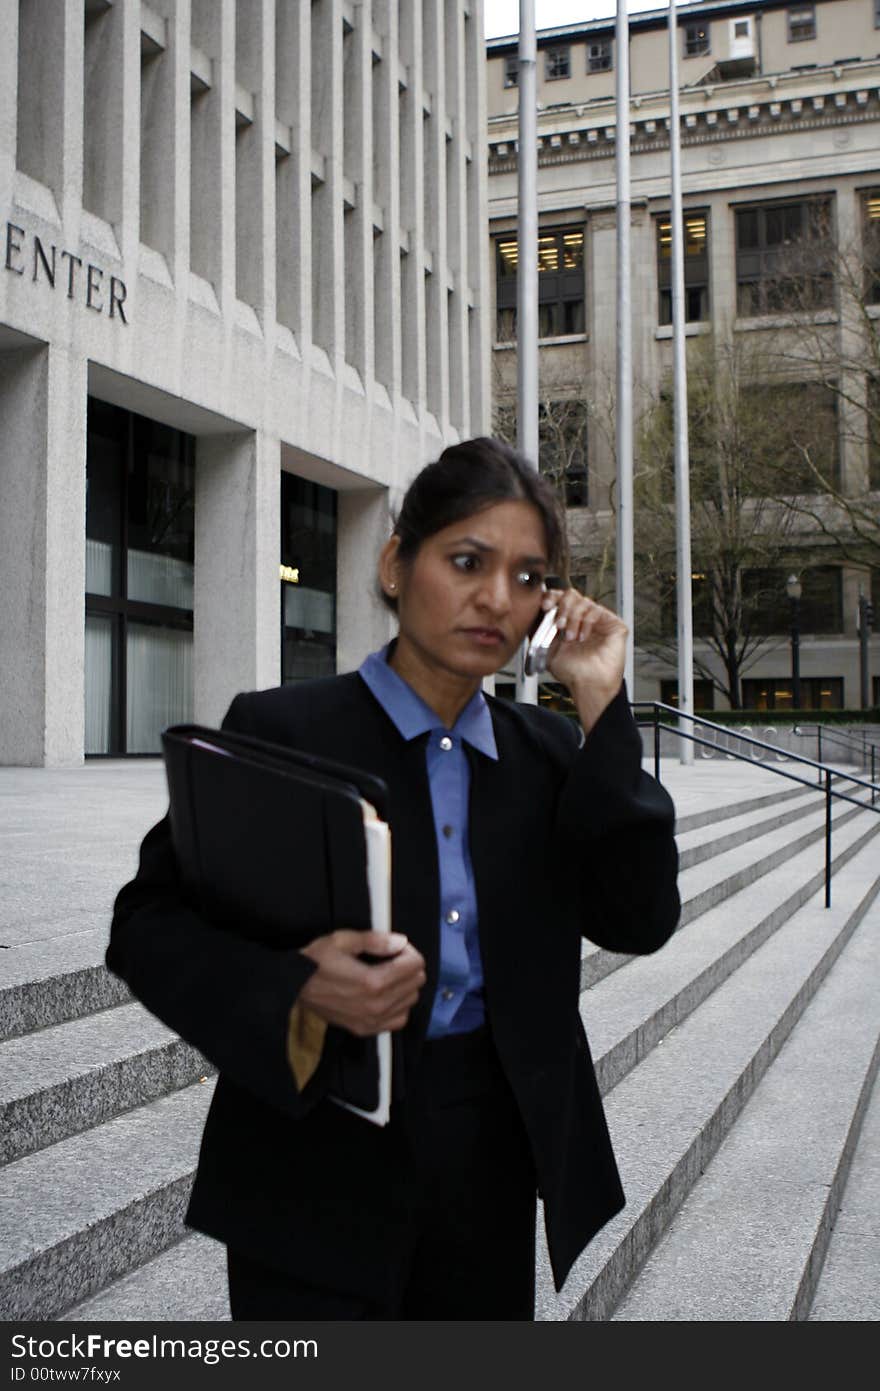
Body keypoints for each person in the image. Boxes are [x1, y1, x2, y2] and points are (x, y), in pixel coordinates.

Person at [107, 437, 680, 1321]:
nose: (497, 597)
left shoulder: (551, 756)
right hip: (312, 1168)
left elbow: (640, 915)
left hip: (489, 1164)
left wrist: (603, 702)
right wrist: (298, 985)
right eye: (466, 561)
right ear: (394, 563)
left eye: (529, 578)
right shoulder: (282, 731)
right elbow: (146, 922)